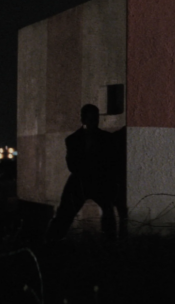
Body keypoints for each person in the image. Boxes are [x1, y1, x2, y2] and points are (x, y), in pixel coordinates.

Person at [46, 104, 125, 242]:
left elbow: (110, 159)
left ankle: (110, 243)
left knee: (108, 212)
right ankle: (51, 241)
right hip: (81, 181)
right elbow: (73, 166)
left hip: (97, 181)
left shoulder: (104, 138)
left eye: (96, 119)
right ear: (83, 120)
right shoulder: (73, 140)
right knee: (65, 214)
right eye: (91, 119)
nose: (94, 122)